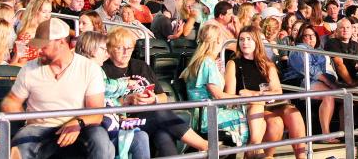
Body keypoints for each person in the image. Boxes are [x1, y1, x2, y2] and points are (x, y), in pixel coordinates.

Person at [1, 17, 114, 159]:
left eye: (44, 47)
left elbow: (96, 113)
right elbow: (12, 101)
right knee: (21, 142)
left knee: (99, 139)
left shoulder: (89, 68)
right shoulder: (29, 69)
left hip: (79, 126)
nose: (38, 51)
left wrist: (77, 123)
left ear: (61, 43)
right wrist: (12, 107)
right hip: (39, 127)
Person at [103, 26, 208, 156]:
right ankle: (206, 146)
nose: (126, 52)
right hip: (124, 121)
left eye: (129, 48)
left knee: (163, 134)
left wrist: (154, 99)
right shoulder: (104, 70)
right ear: (110, 49)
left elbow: (162, 97)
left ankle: (205, 146)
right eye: (120, 48)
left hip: (150, 117)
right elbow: (103, 104)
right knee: (160, 114)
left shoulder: (141, 66)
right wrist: (127, 100)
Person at [225, 25, 307, 158]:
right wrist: (255, 97)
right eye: (241, 39)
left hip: (270, 103)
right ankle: (265, 156)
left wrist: (254, 93)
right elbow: (229, 96)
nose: (245, 43)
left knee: (294, 114)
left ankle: (301, 157)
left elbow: (277, 91)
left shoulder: (266, 64)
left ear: (257, 41)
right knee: (276, 123)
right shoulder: (233, 63)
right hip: (251, 106)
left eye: (249, 39)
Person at [74, 31, 151, 159]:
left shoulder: (98, 69)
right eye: (104, 49)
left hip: (108, 123)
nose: (107, 53)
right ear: (92, 50)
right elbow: (105, 88)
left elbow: (109, 100)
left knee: (141, 136)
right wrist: (125, 84)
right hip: (91, 126)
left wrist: (120, 118)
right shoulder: (84, 68)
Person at [181, 23, 249, 148]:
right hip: (207, 116)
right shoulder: (207, 62)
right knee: (248, 115)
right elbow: (218, 95)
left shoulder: (204, 60)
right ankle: (252, 152)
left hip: (203, 112)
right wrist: (244, 99)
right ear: (217, 40)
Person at [284, 23, 339, 138]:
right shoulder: (299, 49)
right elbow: (310, 70)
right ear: (300, 37)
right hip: (298, 82)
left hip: (314, 82)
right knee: (328, 94)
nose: (310, 38)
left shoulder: (317, 51)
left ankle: (345, 134)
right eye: (306, 36)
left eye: (313, 35)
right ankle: (326, 135)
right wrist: (329, 83)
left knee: (347, 98)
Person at [13, 0, 52, 65]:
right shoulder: (24, 36)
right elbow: (21, 63)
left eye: (49, 12)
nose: (48, 16)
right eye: (44, 12)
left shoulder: (49, 31)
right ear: (35, 12)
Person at [324, 17, 358, 87]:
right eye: (342, 28)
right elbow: (339, 65)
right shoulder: (332, 42)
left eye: (348, 27)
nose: (345, 30)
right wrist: (351, 83)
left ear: (351, 30)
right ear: (336, 31)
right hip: (340, 82)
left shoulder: (355, 44)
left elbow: (357, 64)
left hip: (356, 78)